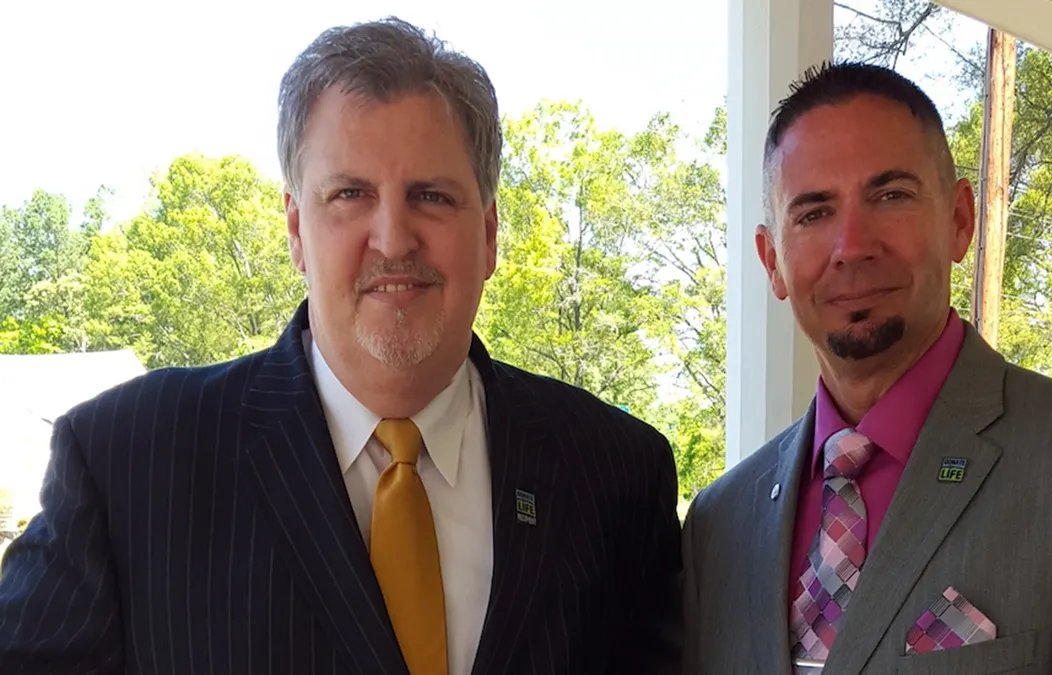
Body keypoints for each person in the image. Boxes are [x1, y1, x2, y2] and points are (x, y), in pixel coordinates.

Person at [0, 17, 681, 675]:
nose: (392, 238)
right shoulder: (129, 464)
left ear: (491, 232)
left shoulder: (616, 476)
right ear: (296, 230)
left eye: (432, 196)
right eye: (351, 194)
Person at [682, 62, 1052, 674]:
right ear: (772, 260)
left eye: (890, 196)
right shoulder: (719, 523)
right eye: (814, 213)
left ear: (959, 219)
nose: (852, 245)